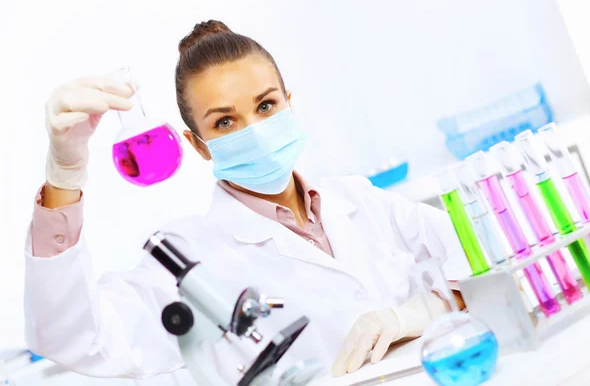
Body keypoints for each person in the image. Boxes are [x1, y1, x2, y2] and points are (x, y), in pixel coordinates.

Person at [25, 20, 469, 383]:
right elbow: (78, 338)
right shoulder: (185, 258)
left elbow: (482, 258)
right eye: (224, 121)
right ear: (198, 146)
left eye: (266, 106)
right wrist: (64, 175)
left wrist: (411, 315)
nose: (254, 129)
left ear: (289, 104)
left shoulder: (358, 199)